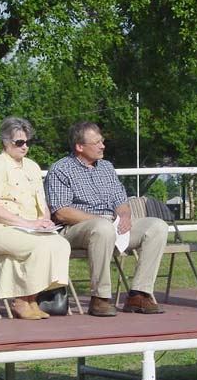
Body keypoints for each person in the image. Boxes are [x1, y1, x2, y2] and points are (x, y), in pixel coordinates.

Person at [45, 121, 168, 317]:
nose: (103, 146)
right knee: (102, 227)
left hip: (110, 224)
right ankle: (100, 297)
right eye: (97, 142)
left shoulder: (107, 167)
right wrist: (102, 221)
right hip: (74, 229)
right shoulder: (61, 169)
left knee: (157, 226)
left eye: (102, 141)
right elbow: (62, 212)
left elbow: (120, 200)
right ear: (80, 147)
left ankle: (139, 294)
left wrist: (125, 216)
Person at [0, 117, 71, 320]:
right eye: (19, 142)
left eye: (28, 142)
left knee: (60, 244)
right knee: (41, 247)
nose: (25, 146)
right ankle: (23, 300)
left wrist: (45, 220)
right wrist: (28, 224)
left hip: (31, 228)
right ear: (5, 142)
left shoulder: (32, 167)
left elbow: (42, 203)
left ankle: (32, 299)